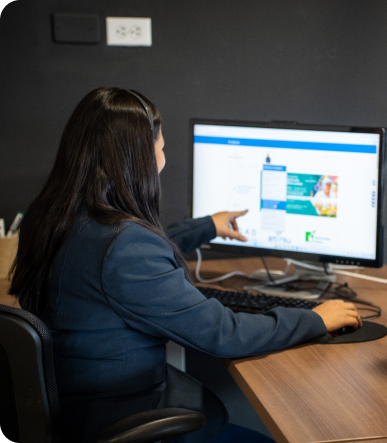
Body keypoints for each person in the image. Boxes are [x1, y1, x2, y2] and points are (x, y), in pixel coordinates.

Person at [9, 87, 362, 442]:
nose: (164, 154)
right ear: (141, 156)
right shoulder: (124, 246)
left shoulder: (50, 216)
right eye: (161, 145)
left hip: (75, 404)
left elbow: (120, 261)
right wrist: (314, 319)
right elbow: (224, 333)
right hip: (117, 415)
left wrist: (207, 225)